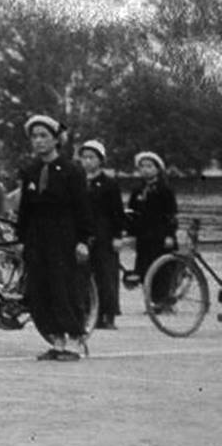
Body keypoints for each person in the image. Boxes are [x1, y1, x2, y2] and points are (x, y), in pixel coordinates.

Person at [16, 115, 94, 362]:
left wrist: (83, 239)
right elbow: (25, 209)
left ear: (56, 140)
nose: (38, 141)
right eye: (34, 136)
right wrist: (21, 239)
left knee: (65, 289)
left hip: (64, 237)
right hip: (37, 238)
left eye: (44, 136)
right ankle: (57, 341)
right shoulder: (31, 171)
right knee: (41, 289)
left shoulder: (72, 171)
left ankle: (75, 340)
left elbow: (82, 207)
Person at [78, 140, 126, 330]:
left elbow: (117, 212)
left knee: (106, 275)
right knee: (83, 275)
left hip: (104, 234)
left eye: (91, 157)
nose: (87, 161)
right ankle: (89, 312)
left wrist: (118, 236)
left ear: (100, 160)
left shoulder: (109, 184)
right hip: (84, 234)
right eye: (84, 157)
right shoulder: (78, 182)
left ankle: (109, 314)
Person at [126, 150, 177, 310]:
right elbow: (132, 213)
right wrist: (130, 233)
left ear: (157, 169)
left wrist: (170, 235)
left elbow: (171, 214)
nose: (145, 170)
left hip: (160, 235)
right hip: (143, 236)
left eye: (149, 166)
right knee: (144, 267)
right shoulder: (137, 190)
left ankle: (162, 300)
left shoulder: (165, 189)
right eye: (142, 167)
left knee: (162, 270)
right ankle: (150, 300)